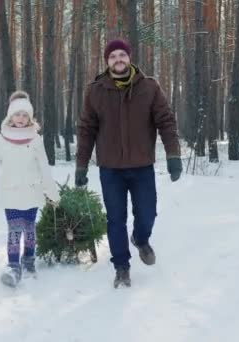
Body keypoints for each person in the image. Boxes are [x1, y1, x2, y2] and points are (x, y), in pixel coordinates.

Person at [75, 39, 182, 288]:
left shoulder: (149, 87)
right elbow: (86, 129)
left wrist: (173, 155)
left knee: (147, 213)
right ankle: (121, 266)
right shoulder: (96, 90)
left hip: (142, 166)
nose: (118, 59)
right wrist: (81, 165)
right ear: (107, 61)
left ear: (130, 58)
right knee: (115, 219)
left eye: (122, 54)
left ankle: (140, 239)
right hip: (110, 169)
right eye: (113, 56)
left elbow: (165, 121)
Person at [0, 90, 60, 287]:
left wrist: (52, 193)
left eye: (25, 115)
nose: (21, 118)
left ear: (30, 118)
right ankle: (13, 266)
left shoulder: (36, 139)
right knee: (14, 229)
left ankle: (29, 260)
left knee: (29, 229)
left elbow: (44, 168)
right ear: (10, 116)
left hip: (32, 192)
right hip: (11, 194)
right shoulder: (0, 140)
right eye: (17, 114)